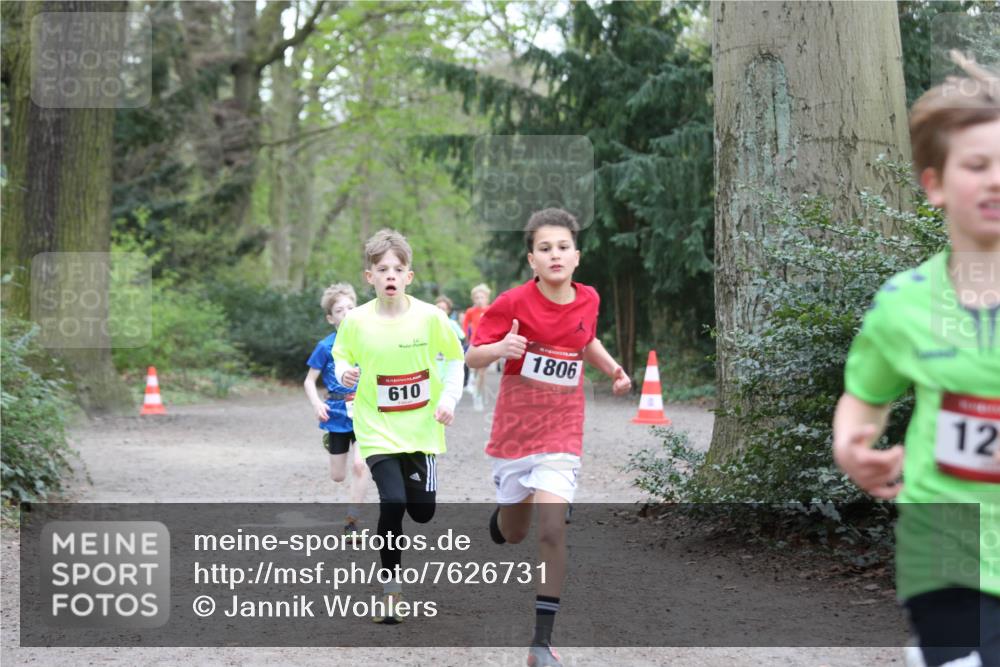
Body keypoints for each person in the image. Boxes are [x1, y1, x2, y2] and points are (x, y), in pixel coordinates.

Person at [832, 52, 999, 667]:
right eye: (977, 165)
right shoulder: (903, 305)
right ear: (934, 183)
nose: (996, 179)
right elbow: (866, 398)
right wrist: (853, 445)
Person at [466, 208, 632, 667]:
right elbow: (473, 356)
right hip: (515, 434)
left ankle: (540, 643)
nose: (554, 254)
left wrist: (613, 368)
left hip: (562, 430)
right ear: (531, 260)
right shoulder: (512, 303)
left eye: (562, 247)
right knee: (515, 532)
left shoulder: (589, 299)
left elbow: (586, 340)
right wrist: (501, 349)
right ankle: (502, 518)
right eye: (545, 248)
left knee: (552, 528)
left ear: (576, 256)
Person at [333, 229, 465, 624]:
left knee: (422, 512)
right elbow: (341, 358)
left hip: (422, 431)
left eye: (398, 268)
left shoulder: (431, 317)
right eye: (382, 268)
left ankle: (414, 499)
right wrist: (346, 375)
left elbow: (456, 359)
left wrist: (448, 399)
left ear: (409, 276)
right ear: (369, 276)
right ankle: (391, 592)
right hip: (375, 430)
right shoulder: (355, 321)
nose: (390, 274)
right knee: (392, 503)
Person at [303, 282, 370, 536]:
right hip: (336, 412)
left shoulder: (368, 341)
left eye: (351, 307)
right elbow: (309, 381)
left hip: (364, 409)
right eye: (340, 310)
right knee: (338, 476)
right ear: (331, 317)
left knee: (360, 465)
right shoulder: (325, 346)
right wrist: (317, 403)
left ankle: (352, 521)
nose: (347, 313)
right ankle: (331, 439)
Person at [463, 283, 492, 411]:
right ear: (473, 299)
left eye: (482, 297)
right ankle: (476, 391)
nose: (480, 300)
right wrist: (466, 337)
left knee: (482, 373)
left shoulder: (491, 309)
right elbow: (465, 324)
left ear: (487, 298)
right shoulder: (470, 311)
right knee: (476, 370)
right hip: (475, 344)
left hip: (488, 343)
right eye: (477, 297)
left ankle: (478, 395)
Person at [435, 294, 469, 389]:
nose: (440, 310)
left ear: (448, 311)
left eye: (443, 308)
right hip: (433, 361)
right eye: (438, 308)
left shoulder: (452, 323)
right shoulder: (429, 323)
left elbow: (463, 339)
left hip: (447, 360)